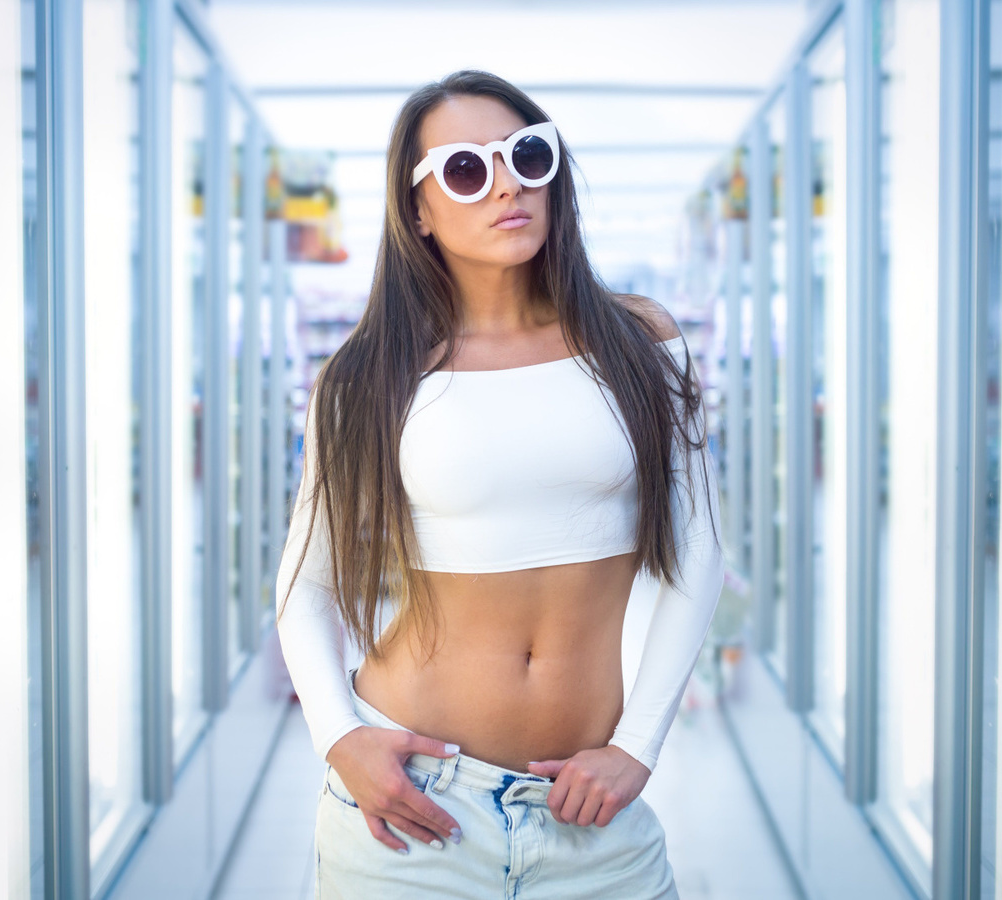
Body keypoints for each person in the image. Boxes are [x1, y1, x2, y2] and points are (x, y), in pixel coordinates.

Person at [274, 68, 725, 900]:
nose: (507, 183)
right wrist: (339, 738)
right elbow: (307, 580)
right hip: (413, 808)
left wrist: (639, 744)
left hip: (590, 817)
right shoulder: (369, 375)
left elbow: (700, 553)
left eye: (526, 154)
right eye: (466, 170)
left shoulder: (640, 343)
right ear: (418, 210)